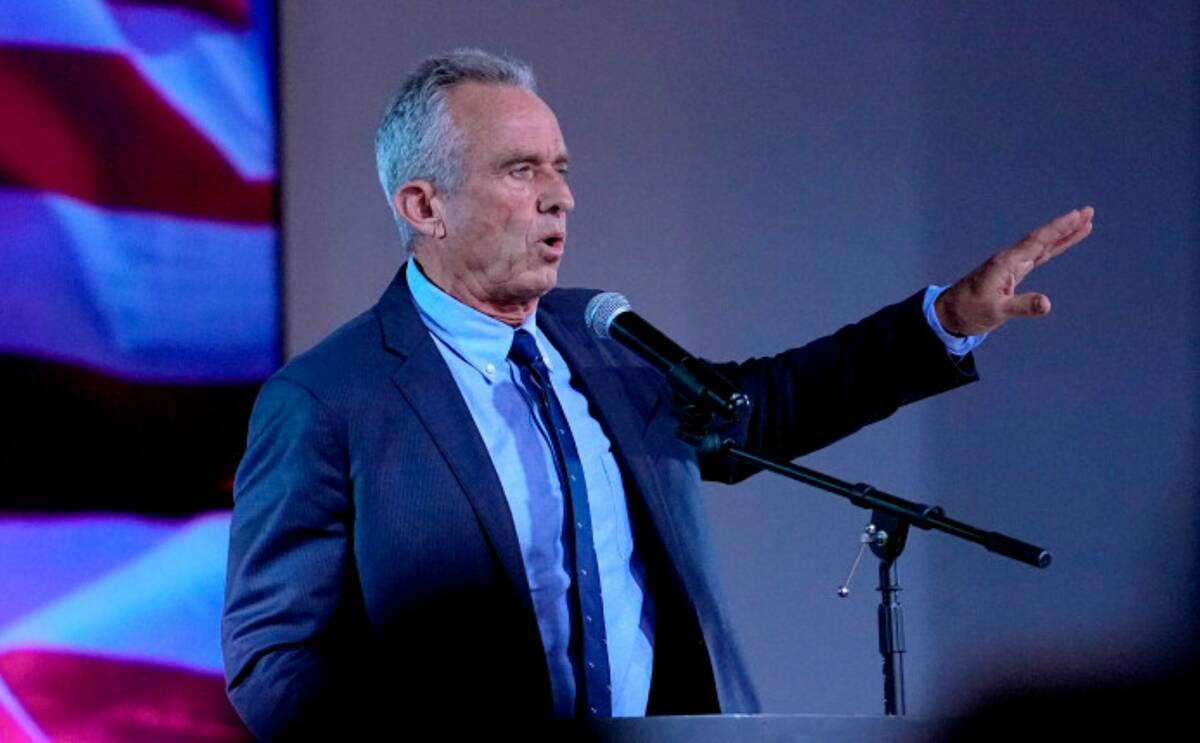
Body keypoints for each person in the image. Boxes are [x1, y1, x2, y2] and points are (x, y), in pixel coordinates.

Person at [221, 48, 1094, 739]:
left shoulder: (604, 345)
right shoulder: (330, 399)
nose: (559, 197)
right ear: (424, 203)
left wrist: (942, 319)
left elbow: (765, 408)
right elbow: (271, 657)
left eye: (560, 167)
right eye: (520, 171)